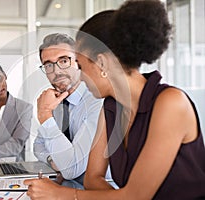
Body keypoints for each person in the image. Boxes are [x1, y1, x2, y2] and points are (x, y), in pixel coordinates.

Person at [24, 1, 205, 199]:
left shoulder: (170, 103)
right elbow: (92, 179)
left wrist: (62, 194)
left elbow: (136, 196)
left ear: (101, 62)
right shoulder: (110, 108)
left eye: (82, 66)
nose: (81, 77)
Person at [33, 33, 109, 183]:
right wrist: (52, 160)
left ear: (79, 62)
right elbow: (38, 146)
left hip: (104, 192)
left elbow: (71, 169)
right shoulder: (57, 101)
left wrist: (45, 114)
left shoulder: (97, 101)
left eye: (64, 60)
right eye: (48, 65)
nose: (57, 71)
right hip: (70, 187)